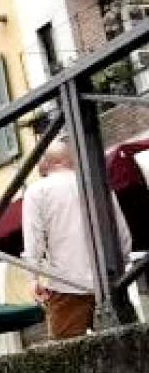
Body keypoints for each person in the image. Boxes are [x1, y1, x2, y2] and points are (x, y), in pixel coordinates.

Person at [22, 141, 131, 340]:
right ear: (72, 160)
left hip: (66, 286)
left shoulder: (37, 191)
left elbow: (34, 240)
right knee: (127, 347)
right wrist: (120, 270)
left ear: (48, 162)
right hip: (109, 282)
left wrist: (33, 278)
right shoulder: (98, 184)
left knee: (67, 357)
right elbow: (122, 234)